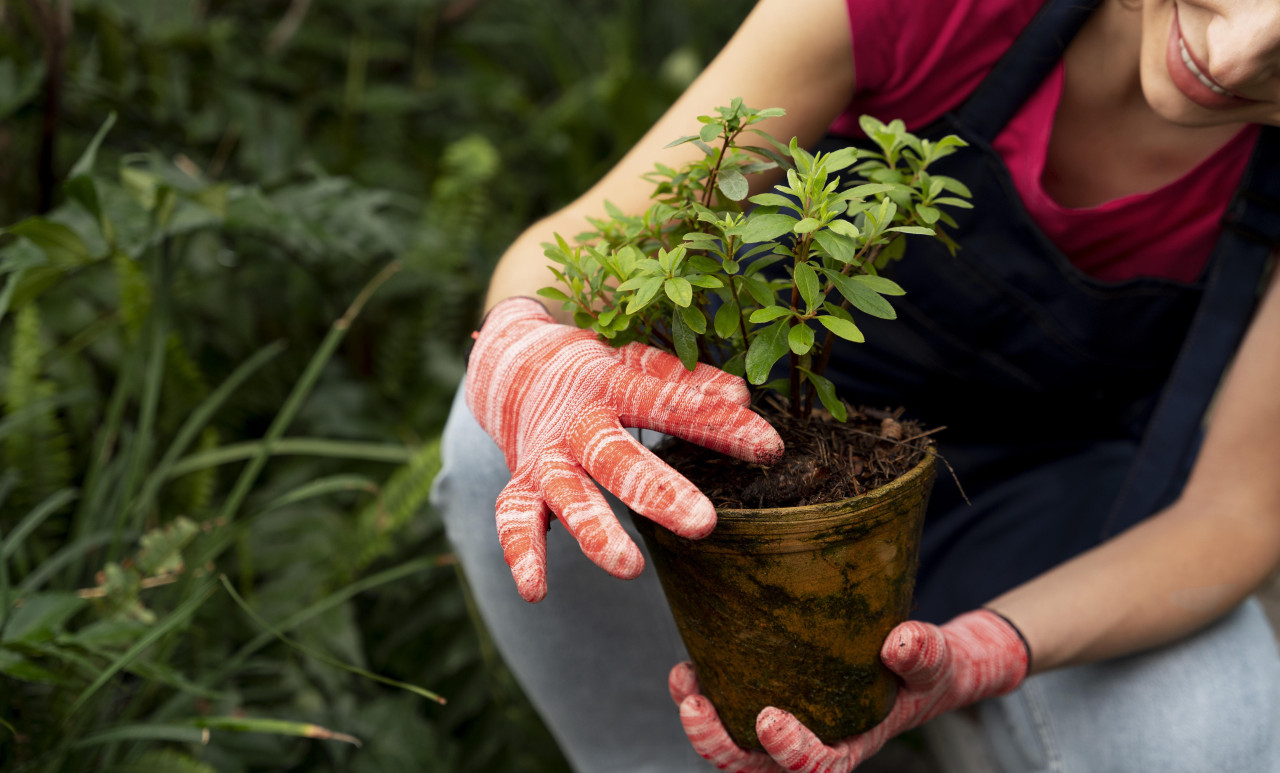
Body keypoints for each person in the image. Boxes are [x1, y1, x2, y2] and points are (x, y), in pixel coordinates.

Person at [430, 0, 1280, 770]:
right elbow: (566, 265)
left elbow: (1237, 512)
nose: (1240, 54)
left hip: (1049, 511)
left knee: (1210, 737)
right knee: (502, 443)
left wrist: (985, 652)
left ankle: (950, 720)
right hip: (749, 447)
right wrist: (527, 343)